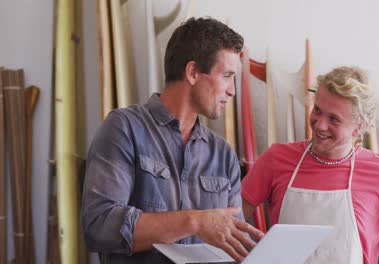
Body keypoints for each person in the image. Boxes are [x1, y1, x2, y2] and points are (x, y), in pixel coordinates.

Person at [81, 17, 264, 264]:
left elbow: (235, 245)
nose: (232, 90)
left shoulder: (223, 155)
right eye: (227, 75)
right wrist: (195, 221)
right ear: (192, 72)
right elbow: (99, 225)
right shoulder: (124, 129)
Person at [241, 66, 379, 263]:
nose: (320, 125)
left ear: (358, 127)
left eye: (334, 119)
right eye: (317, 110)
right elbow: (230, 226)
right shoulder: (276, 159)